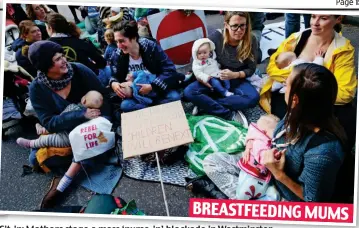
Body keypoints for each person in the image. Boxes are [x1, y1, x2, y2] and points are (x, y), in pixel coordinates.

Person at [204, 63, 346, 202]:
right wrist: (252, 144)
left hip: (285, 192)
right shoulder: (297, 112)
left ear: (295, 99)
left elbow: (312, 200)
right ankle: (248, 201)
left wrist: (278, 173)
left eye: (287, 82)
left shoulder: (323, 153)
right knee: (212, 162)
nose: (284, 82)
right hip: (265, 166)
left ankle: (246, 206)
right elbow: (276, 137)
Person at [27, 41, 112, 208]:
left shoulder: (79, 70)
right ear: (46, 66)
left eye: (62, 56)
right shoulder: (37, 88)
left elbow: (104, 98)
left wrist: (102, 123)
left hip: (93, 128)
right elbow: (49, 123)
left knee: (90, 146)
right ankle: (80, 163)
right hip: (64, 133)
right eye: (58, 59)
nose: (64, 60)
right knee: (34, 159)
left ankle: (63, 184)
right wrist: (80, 114)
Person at [184, 11, 259, 121]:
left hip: (236, 79)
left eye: (242, 25)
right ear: (226, 25)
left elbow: (251, 69)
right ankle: (225, 112)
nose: (239, 30)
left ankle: (206, 105)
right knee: (188, 92)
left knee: (253, 98)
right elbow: (195, 58)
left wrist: (235, 75)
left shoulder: (251, 39)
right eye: (234, 26)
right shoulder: (216, 37)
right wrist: (201, 77)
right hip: (214, 77)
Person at [109, 20, 183, 114]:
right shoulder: (118, 55)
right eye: (116, 42)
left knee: (174, 97)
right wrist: (114, 83)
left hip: (157, 90)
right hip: (137, 95)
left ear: (134, 38)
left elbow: (169, 69)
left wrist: (152, 86)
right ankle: (157, 109)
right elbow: (114, 75)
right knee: (125, 106)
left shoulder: (150, 47)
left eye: (122, 41)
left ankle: (148, 110)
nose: (119, 46)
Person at [16, 91, 103, 148]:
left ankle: (32, 143)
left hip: (66, 137)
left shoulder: (72, 107)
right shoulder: (97, 117)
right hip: (74, 138)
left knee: (48, 139)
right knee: (51, 135)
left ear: (83, 100)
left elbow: (60, 119)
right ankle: (42, 130)